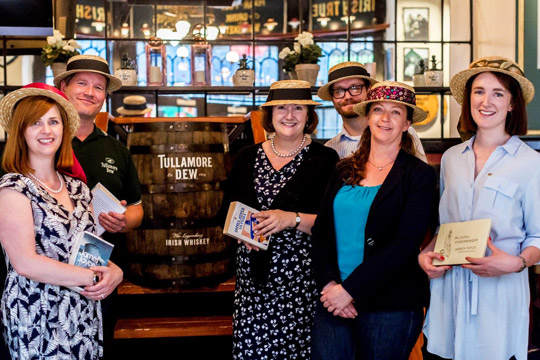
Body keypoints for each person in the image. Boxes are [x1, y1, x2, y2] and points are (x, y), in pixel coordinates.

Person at [420, 56, 540, 360]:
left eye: (498, 93)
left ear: (513, 104)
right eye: (478, 91)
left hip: (498, 299)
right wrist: (427, 254)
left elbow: (538, 236)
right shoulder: (451, 158)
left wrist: (516, 264)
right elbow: (444, 227)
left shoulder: (531, 163)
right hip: (448, 296)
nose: (486, 101)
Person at [311, 81, 438, 360]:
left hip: (391, 305)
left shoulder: (419, 175)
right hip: (333, 301)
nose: (385, 118)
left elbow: (404, 245)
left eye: (396, 112)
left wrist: (350, 290)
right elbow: (321, 233)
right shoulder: (343, 168)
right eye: (378, 109)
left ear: (407, 124)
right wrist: (330, 286)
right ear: (368, 117)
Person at [0, 83, 123, 359]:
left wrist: (115, 272)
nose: (47, 130)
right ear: (21, 132)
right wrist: (92, 277)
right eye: (36, 123)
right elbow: (25, 262)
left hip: (82, 311)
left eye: (53, 122)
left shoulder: (78, 187)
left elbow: (90, 250)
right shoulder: (13, 188)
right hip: (36, 314)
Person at [221, 80, 339, 359]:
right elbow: (226, 210)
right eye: (281, 108)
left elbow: (333, 223)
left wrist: (292, 219)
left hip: (301, 284)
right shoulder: (247, 157)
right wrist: (242, 233)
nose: (289, 115)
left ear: (309, 116)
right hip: (253, 284)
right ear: (270, 115)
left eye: (298, 108)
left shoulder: (326, 159)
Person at [54, 54, 143, 357]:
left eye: (98, 87)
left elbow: (136, 209)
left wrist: (123, 221)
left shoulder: (116, 149)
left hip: (100, 275)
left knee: (98, 348)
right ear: (64, 86)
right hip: (46, 276)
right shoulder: (44, 138)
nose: (90, 93)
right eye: (82, 83)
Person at [318, 61, 427, 161]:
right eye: (339, 91)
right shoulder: (330, 149)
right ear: (332, 98)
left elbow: (421, 176)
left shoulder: (404, 133)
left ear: (369, 90)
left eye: (355, 88)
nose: (347, 96)